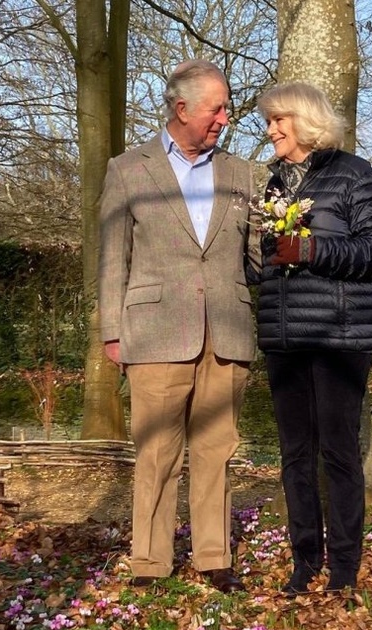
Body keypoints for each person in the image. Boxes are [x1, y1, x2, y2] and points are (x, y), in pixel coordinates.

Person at [98, 59, 258, 594]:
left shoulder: (242, 173)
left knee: (216, 451)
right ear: (182, 108)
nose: (225, 118)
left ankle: (214, 558)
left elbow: (256, 256)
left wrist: (294, 238)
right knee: (157, 453)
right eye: (217, 108)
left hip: (227, 331)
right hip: (155, 332)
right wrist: (112, 332)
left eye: (226, 108)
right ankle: (150, 561)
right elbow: (112, 257)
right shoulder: (128, 169)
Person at [248, 82, 372, 597]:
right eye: (268, 121)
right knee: (294, 456)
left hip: (339, 336)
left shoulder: (354, 173)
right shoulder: (272, 185)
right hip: (284, 337)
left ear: (305, 120)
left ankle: (344, 569)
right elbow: (262, 262)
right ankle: (304, 562)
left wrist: (311, 251)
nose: (270, 130)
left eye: (278, 120)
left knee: (338, 453)